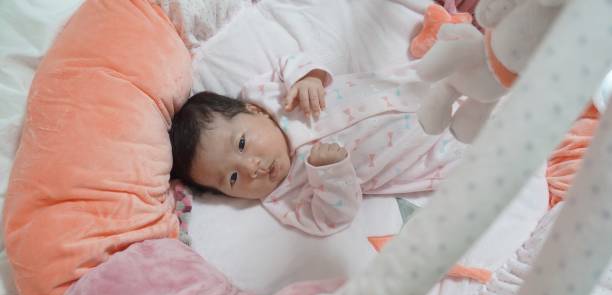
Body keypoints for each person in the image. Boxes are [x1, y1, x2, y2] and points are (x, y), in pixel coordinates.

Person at [170, 53, 465, 236]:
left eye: (243, 144)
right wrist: (330, 174)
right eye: (232, 178)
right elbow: (332, 219)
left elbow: (292, 61)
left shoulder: (269, 95)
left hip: (410, 85)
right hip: (428, 150)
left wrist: (308, 77)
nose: (251, 168)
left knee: (468, 68)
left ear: (253, 111)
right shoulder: (284, 198)